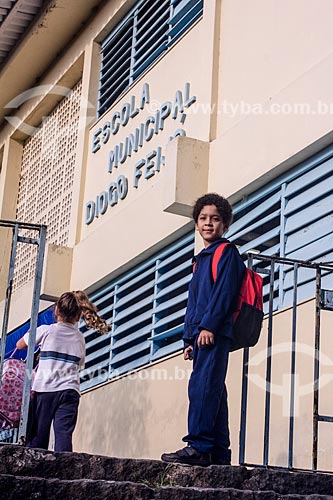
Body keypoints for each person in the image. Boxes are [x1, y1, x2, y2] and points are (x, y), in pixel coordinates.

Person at [161, 193, 245, 466]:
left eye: (215, 219)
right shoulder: (201, 259)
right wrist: (189, 338)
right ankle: (219, 451)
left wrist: (208, 326)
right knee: (213, 389)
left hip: (214, 332)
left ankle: (198, 446)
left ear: (225, 224)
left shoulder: (226, 252)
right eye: (203, 219)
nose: (208, 223)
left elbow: (224, 294)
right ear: (197, 224)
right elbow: (195, 302)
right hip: (200, 335)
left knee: (203, 388)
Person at [16, 290, 110, 452]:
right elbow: (80, 363)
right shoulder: (79, 337)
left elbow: (19, 345)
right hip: (70, 391)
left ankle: (36, 468)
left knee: (38, 434)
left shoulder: (46, 330)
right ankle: (65, 468)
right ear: (79, 316)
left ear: (57, 310)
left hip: (45, 389)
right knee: (63, 434)